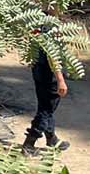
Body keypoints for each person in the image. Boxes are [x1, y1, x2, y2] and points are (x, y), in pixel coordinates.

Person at [21, 25, 71, 153]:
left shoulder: (37, 23)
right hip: (50, 76)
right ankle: (29, 143)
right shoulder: (51, 28)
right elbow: (53, 58)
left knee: (44, 105)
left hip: (38, 71)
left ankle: (51, 138)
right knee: (46, 110)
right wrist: (60, 80)